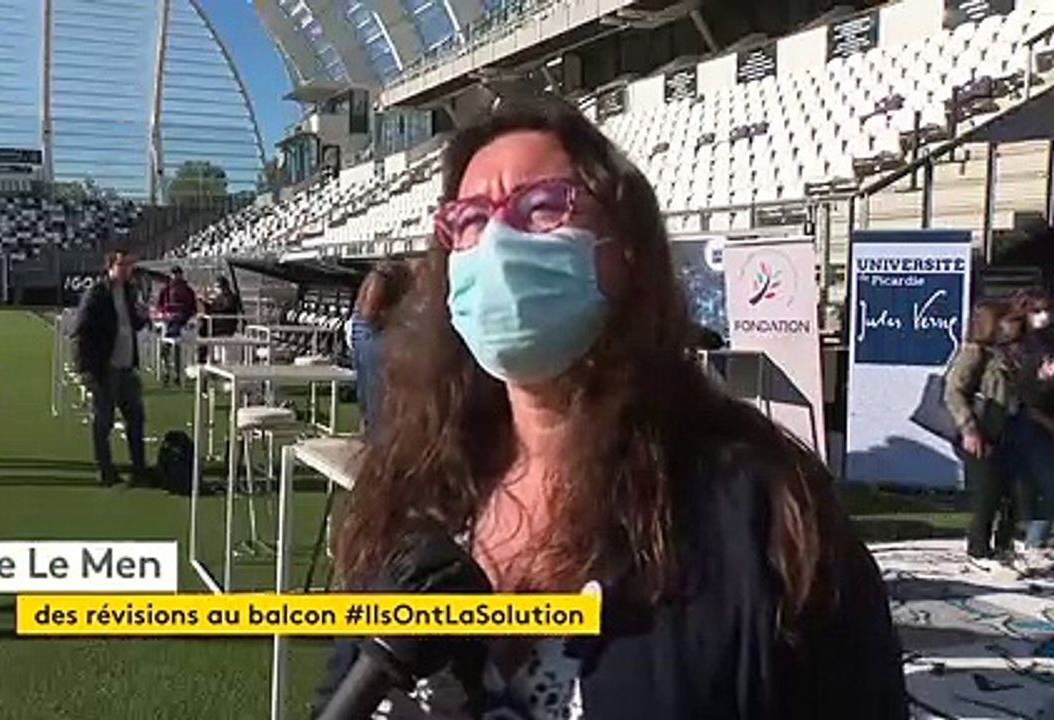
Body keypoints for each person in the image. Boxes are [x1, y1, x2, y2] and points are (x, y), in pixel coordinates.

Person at [313, 95, 906, 719]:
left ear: (625, 252)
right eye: (469, 221)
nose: (498, 246)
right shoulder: (418, 485)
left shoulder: (769, 517)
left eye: (542, 208)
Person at [944, 298, 1025, 570]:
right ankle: (979, 547)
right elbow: (953, 391)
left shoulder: (1003, 352)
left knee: (1013, 491)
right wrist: (968, 428)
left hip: (1005, 430)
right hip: (979, 431)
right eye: (1006, 320)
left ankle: (1004, 545)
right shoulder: (974, 352)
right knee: (988, 491)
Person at [74, 250, 150, 487]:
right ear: (110, 266)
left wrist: (142, 317)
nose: (127, 269)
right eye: (122, 264)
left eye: (130, 264)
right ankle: (105, 469)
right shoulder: (97, 293)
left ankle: (139, 470)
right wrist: (85, 369)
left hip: (126, 367)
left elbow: (132, 325)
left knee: (136, 419)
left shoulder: (129, 292)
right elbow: (81, 331)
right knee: (104, 421)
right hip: (105, 369)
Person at [1004, 290, 1054, 560]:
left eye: (1047, 309)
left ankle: (1034, 540)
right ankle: (1031, 541)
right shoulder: (1017, 346)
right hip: (1028, 422)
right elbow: (1023, 391)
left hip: (1043, 420)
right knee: (1040, 485)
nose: (1044, 316)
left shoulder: (1045, 342)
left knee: (1039, 487)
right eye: (1037, 310)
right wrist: (1043, 380)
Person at [349, 261, 414, 434]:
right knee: (378, 394)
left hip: (363, 334)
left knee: (369, 396)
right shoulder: (380, 281)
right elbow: (371, 315)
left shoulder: (374, 279)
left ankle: (372, 436)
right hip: (372, 337)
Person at [154, 266, 198, 385]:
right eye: (174, 274)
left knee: (178, 350)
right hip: (168, 323)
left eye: (178, 274)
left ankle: (178, 374)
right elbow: (159, 306)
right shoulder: (165, 290)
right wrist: (166, 314)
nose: (176, 276)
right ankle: (166, 371)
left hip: (182, 324)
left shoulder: (188, 291)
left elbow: (193, 309)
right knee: (165, 349)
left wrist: (186, 318)